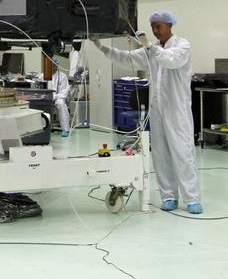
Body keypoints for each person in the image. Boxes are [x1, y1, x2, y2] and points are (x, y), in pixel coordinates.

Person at [93, 11, 201, 214]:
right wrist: (102, 47)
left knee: (183, 154)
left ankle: (192, 198)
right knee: (160, 155)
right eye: (153, 27)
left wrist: (150, 47)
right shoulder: (152, 50)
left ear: (170, 25)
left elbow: (171, 60)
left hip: (177, 111)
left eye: (159, 26)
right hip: (157, 110)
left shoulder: (182, 45)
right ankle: (169, 196)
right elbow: (127, 59)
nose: (155, 30)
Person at [49, 60, 72, 136]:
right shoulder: (43, 75)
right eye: (51, 64)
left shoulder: (62, 76)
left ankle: (65, 129)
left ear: (57, 66)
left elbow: (64, 92)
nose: (52, 67)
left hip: (58, 98)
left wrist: (55, 96)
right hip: (46, 98)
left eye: (54, 65)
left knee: (61, 104)